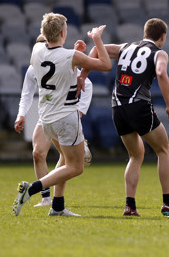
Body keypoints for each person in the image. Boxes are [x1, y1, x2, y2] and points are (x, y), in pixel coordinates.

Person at [80, 18, 169, 217]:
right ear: (163, 36)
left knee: (135, 154)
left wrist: (83, 75)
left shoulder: (126, 46)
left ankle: (130, 206)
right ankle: (168, 203)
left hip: (117, 107)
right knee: (164, 150)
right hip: (139, 106)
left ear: (144, 32)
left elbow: (97, 50)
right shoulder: (159, 52)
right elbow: (162, 74)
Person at [13, 13, 112, 217]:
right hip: (66, 118)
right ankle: (31, 189)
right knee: (76, 167)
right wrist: (97, 39)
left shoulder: (37, 50)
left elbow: (56, 62)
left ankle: (57, 206)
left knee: (64, 160)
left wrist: (74, 55)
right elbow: (106, 65)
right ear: (62, 32)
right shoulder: (70, 56)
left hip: (46, 119)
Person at [14, 34, 94, 207]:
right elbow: (27, 94)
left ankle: (55, 201)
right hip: (45, 115)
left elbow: (87, 84)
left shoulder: (61, 61)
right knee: (38, 154)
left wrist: (79, 111)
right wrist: (21, 114)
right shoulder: (33, 68)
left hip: (63, 115)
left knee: (67, 160)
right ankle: (47, 199)